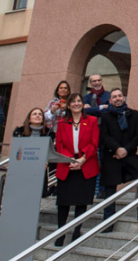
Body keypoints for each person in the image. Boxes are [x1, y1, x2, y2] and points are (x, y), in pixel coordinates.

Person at [54, 92, 100, 246]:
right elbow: (59, 144)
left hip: (86, 165)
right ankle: (60, 234)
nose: (76, 104)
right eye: (73, 102)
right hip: (66, 165)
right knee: (63, 203)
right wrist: (70, 160)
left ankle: (76, 232)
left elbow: (94, 143)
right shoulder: (61, 123)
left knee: (82, 202)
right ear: (68, 105)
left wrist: (82, 160)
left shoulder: (92, 121)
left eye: (79, 101)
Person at [99, 89, 138, 226]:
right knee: (110, 188)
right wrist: (117, 148)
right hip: (112, 155)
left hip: (129, 154)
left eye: (119, 96)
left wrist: (125, 149)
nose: (117, 99)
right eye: (114, 97)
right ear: (110, 101)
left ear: (124, 98)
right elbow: (104, 136)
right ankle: (108, 221)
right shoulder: (106, 116)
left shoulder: (134, 114)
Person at [13, 107, 53, 197]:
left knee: (36, 196)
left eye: (40, 114)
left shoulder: (49, 133)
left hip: (39, 170)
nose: (37, 116)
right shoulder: (20, 132)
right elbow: (17, 151)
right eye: (34, 114)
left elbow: (50, 151)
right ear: (29, 118)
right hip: (22, 169)